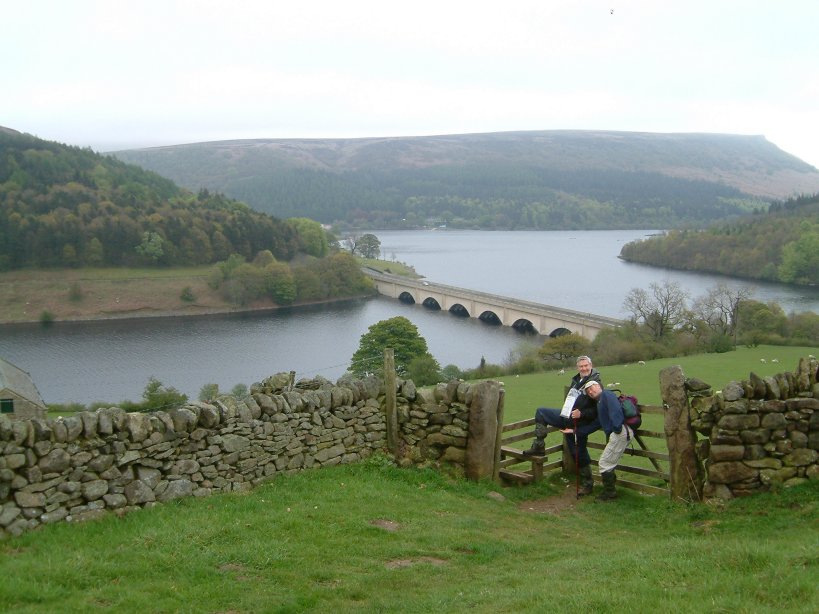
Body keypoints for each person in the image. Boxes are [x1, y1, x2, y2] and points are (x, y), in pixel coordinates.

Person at [522, 355, 601, 496]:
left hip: (578, 424)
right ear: (578, 367)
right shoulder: (577, 379)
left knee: (578, 452)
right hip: (566, 417)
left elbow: (597, 410)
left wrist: (581, 414)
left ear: (591, 365)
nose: (583, 368)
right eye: (581, 366)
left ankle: (588, 484)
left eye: (586, 366)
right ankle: (539, 447)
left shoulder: (595, 384)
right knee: (541, 412)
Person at [580, 379, 632, 501]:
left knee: (604, 463)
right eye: (588, 391)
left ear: (599, 386)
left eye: (592, 388)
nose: (591, 392)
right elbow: (599, 422)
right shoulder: (600, 401)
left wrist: (616, 429)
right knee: (608, 462)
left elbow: (616, 410)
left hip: (619, 432)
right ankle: (610, 491)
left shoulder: (606, 394)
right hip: (619, 432)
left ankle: (610, 493)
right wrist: (578, 432)